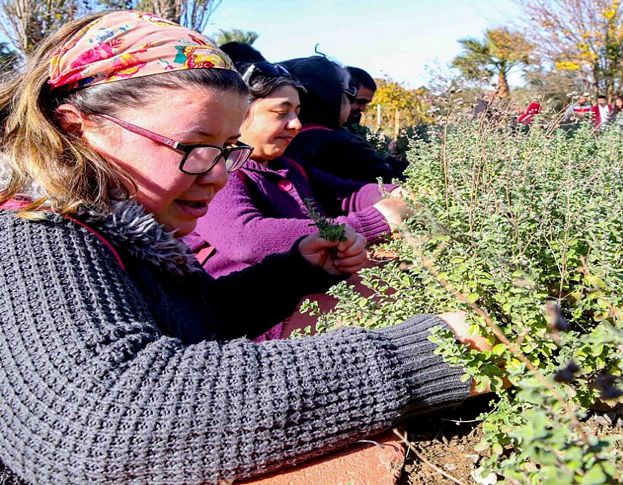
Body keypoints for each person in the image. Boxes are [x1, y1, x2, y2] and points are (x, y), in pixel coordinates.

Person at [0, 11, 484, 484]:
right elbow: (97, 422)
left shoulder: (129, 231)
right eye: (195, 146)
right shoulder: (31, 235)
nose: (220, 173)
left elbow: (191, 322)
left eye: (230, 148)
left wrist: (292, 272)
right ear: (77, 127)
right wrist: (434, 350)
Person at [186, 48, 409, 279]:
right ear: (238, 113)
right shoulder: (220, 170)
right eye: (281, 112)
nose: (296, 124)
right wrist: (375, 220)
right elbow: (246, 238)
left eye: (297, 112)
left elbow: (346, 194)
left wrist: (402, 193)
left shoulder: (287, 166)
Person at [283, 56, 407, 183]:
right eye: (349, 93)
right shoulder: (344, 145)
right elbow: (392, 183)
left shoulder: (284, 138)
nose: (360, 108)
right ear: (332, 96)